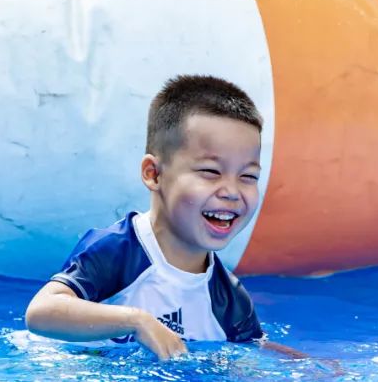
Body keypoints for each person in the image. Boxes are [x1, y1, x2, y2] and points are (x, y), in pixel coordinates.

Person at [25, 75, 268, 360]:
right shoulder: (119, 250)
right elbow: (40, 312)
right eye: (210, 172)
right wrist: (136, 321)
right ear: (153, 174)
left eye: (248, 176)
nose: (231, 192)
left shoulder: (230, 300)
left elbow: (257, 357)